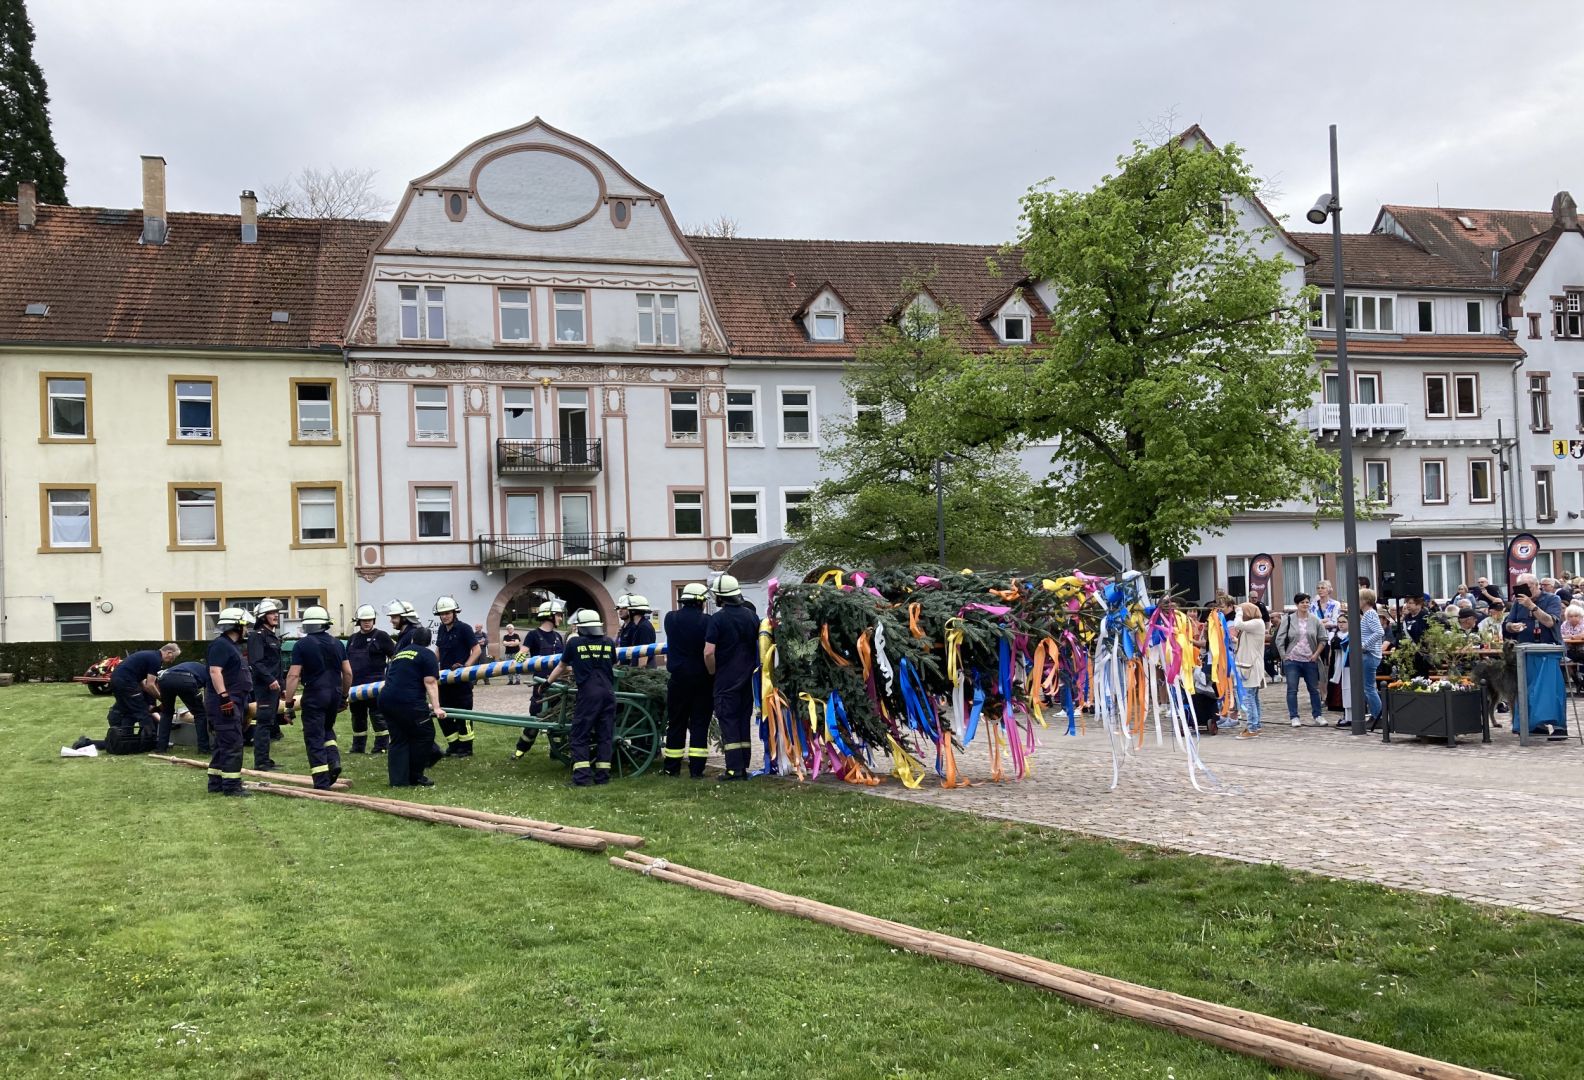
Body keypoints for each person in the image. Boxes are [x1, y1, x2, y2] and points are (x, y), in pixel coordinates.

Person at [545, 608, 617, 786]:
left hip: (589, 694)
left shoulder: (574, 643)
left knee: (579, 735)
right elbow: (614, 663)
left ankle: (582, 778)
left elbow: (561, 666)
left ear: (581, 627)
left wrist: (547, 683)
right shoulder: (609, 642)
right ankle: (602, 777)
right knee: (605, 735)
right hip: (608, 692)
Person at [283, 606, 352, 790]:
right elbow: (348, 673)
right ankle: (333, 760)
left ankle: (322, 782)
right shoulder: (338, 644)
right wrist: (344, 696)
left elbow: (293, 675)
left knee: (314, 736)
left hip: (315, 694)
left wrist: (288, 703)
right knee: (327, 729)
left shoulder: (301, 645)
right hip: (334, 692)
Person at [705, 574, 759, 776]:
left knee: (728, 722)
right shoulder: (751, 616)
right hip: (748, 679)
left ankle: (734, 769)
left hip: (726, 679)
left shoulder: (718, 619)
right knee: (743, 722)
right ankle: (743, 766)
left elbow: (708, 652)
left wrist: (712, 672)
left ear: (720, 596)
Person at [662, 582, 714, 776]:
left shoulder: (670, 618)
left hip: (678, 679)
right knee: (699, 723)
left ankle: (672, 768)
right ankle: (697, 769)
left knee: (676, 722)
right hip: (702, 679)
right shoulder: (707, 621)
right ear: (700, 601)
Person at [378, 641, 446, 788]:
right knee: (424, 734)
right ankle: (415, 776)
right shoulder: (427, 654)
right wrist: (437, 708)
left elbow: (400, 679)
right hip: (408, 701)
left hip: (387, 699)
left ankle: (398, 781)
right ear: (428, 642)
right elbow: (430, 682)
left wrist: (424, 704)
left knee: (398, 739)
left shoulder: (400, 654)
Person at [205, 608, 253, 796]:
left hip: (234, 700)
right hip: (225, 702)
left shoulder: (231, 646)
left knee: (223, 743)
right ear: (237, 626)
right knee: (233, 743)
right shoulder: (221, 645)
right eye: (245, 626)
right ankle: (232, 786)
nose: (247, 629)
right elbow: (215, 671)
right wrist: (224, 697)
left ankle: (216, 783)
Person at [514, 602, 566, 759]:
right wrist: (520, 656)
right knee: (535, 717)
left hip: (559, 683)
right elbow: (523, 651)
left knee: (558, 717)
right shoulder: (533, 635)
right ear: (549, 616)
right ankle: (521, 749)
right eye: (558, 615)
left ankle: (556, 752)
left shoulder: (558, 636)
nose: (560, 618)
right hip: (540, 684)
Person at [433, 596, 480, 756]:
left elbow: (477, 650)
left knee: (463, 715)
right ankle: (453, 745)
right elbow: (438, 651)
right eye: (442, 614)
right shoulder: (441, 629)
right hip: (444, 681)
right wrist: (430, 666)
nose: (445, 616)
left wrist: (465, 667)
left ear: (454, 613)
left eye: (448, 613)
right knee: (443, 713)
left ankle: (466, 748)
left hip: (461, 680)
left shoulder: (464, 628)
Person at [108, 643, 178, 748]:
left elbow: (142, 683)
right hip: (127, 682)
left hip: (116, 680)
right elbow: (150, 685)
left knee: (127, 710)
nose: (172, 661)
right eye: (173, 657)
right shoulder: (156, 660)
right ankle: (152, 741)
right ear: (169, 653)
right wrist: (164, 700)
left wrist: (159, 705)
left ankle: (125, 738)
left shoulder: (149, 655)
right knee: (142, 713)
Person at [346, 605, 395, 754]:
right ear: (359, 622)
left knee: (378, 716)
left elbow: (395, 657)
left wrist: (391, 676)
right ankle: (358, 747)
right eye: (364, 620)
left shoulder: (382, 636)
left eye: (370, 620)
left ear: (374, 620)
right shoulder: (353, 639)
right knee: (357, 717)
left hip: (376, 685)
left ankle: (381, 746)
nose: (367, 622)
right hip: (355, 685)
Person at [1275, 592, 1327, 727]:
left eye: (1307, 602)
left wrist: (1316, 654)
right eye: (1302, 602)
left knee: (1314, 689)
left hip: (1310, 659)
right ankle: (1294, 716)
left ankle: (1318, 715)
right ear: (1297, 604)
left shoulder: (1315, 620)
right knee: (1292, 689)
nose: (1305, 604)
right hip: (1292, 659)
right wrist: (1284, 656)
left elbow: (1323, 639)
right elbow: (1279, 639)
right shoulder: (1288, 619)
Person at [248, 598, 286, 771]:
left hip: (274, 687)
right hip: (264, 687)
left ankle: (265, 759)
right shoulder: (257, 636)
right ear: (262, 617)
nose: (275, 615)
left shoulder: (272, 636)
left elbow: (277, 664)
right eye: (271, 613)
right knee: (263, 723)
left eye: (276, 612)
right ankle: (261, 762)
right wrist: (270, 680)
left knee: (269, 722)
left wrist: (282, 686)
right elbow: (256, 662)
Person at [155, 659, 211, 753]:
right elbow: (208, 695)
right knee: (200, 714)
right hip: (186, 679)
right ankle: (204, 748)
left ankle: (161, 748)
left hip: (165, 679)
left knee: (166, 713)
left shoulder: (191, 665)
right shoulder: (209, 672)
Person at [1231, 602, 1267, 739]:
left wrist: (1239, 611)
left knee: (1248, 698)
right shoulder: (1254, 624)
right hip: (1249, 665)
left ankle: (1252, 728)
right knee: (1253, 697)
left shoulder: (1257, 622)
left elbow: (1238, 624)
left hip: (1251, 667)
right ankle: (1256, 725)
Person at [1506, 573, 1561, 645]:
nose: (1525, 591)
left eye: (1528, 588)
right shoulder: (1518, 601)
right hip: (1523, 646)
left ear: (1537, 585)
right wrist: (1512, 627)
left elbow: (1550, 623)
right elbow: (1508, 624)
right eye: (1521, 589)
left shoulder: (1552, 599)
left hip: (1548, 646)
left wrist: (1531, 605)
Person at [1358, 589, 1385, 730]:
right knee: (1368, 687)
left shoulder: (1370, 614)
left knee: (1369, 687)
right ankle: (1376, 715)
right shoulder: (1368, 614)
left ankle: (1379, 716)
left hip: (1370, 654)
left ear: (1365, 601)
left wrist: (1364, 645)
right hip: (1369, 654)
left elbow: (1379, 632)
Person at [1328, 613, 1354, 728]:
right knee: (1340, 692)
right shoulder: (1335, 635)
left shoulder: (1352, 635)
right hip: (1338, 667)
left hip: (1349, 666)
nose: (1341, 624)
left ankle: (1352, 716)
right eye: (1339, 622)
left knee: (1350, 691)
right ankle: (1346, 715)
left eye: (1343, 622)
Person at [618, 596, 656, 667]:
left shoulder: (644, 627)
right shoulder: (637, 626)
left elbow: (644, 653)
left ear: (633, 611)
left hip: (645, 670)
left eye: (628, 609)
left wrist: (638, 671)